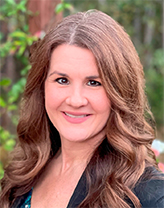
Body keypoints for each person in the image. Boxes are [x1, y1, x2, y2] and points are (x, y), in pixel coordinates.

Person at [0, 10, 164, 208]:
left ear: (120, 91)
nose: (76, 100)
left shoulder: (148, 195)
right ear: (42, 87)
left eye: (94, 83)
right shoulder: (22, 176)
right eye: (62, 80)